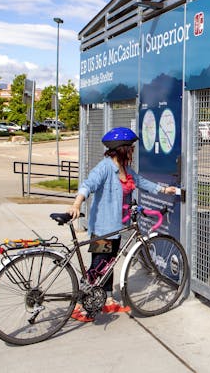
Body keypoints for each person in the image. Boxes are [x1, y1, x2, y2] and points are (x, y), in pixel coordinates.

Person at [67, 126, 178, 322]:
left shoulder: (125, 169)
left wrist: (164, 189)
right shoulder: (104, 168)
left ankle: (109, 300)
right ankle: (78, 306)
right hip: (103, 228)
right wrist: (77, 203)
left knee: (109, 264)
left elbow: (142, 182)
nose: (133, 151)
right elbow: (88, 185)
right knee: (98, 266)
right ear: (123, 149)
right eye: (131, 148)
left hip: (117, 227)